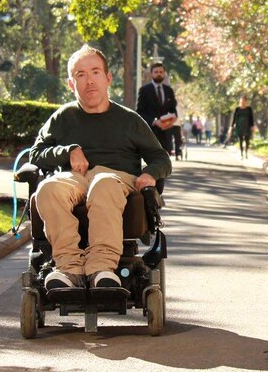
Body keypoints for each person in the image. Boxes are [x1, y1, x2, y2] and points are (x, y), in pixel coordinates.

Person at [30, 45, 172, 292]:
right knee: (48, 188)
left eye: (95, 72)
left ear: (108, 78)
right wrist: (67, 151)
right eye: (80, 75)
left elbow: (160, 157)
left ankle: (102, 269)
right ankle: (68, 268)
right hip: (75, 178)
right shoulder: (62, 118)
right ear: (71, 84)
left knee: (103, 183)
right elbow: (36, 154)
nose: (89, 81)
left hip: (117, 179)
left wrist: (150, 173)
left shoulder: (129, 120)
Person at [136, 63, 178, 152]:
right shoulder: (144, 90)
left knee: (166, 161)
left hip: (166, 133)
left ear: (164, 74)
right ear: (152, 74)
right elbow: (140, 112)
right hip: (151, 133)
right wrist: (154, 121)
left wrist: (173, 119)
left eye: (161, 72)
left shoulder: (169, 90)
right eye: (156, 72)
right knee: (153, 161)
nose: (159, 74)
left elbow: (173, 109)